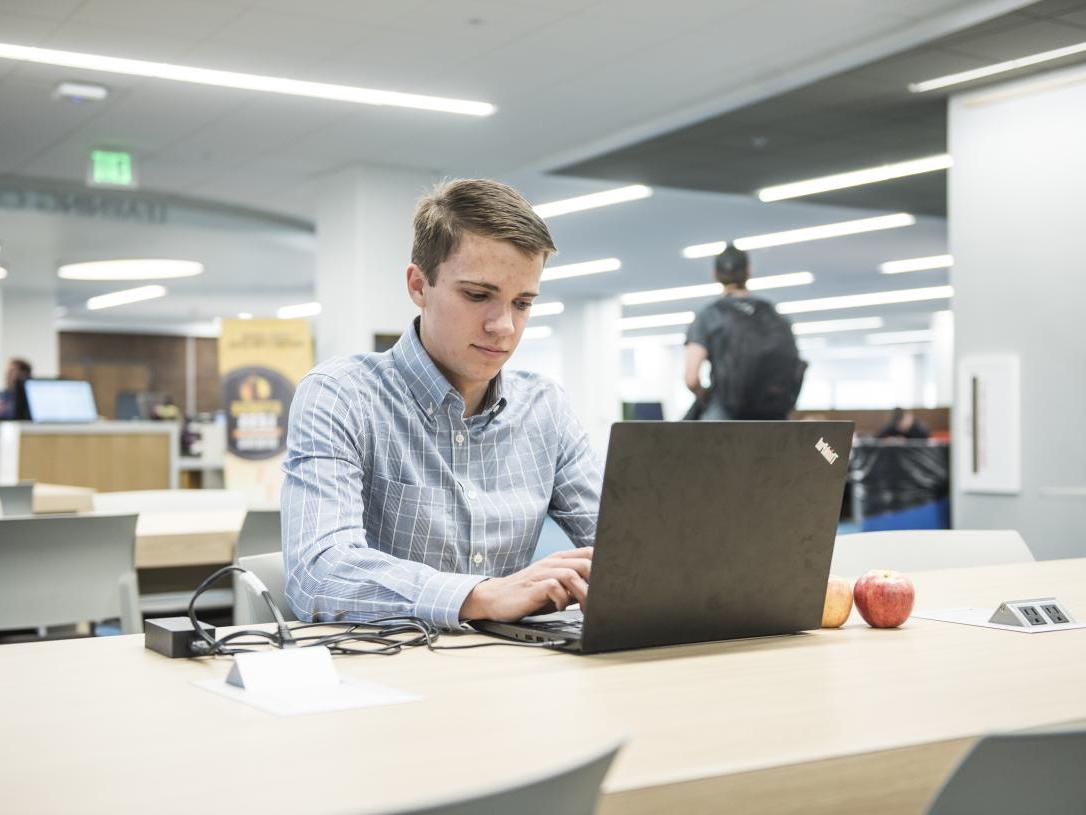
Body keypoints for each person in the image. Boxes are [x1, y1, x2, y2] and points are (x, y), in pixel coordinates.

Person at [281, 179, 599, 630]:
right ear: (419, 285)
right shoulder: (340, 395)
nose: (503, 326)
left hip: (509, 670)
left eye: (523, 303)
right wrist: (481, 596)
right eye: (477, 295)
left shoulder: (545, 406)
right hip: (381, 674)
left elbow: (624, 549)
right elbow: (317, 573)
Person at [683, 246, 804, 420]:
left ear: (715, 274)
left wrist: (706, 397)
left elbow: (691, 378)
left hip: (727, 413)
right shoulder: (774, 314)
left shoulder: (710, 315)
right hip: (774, 414)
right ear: (749, 271)